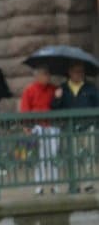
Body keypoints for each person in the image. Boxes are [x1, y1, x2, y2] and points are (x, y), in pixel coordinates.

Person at [51, 62, 99, 193]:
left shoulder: (90, 88)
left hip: (87, 126)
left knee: (89, 155)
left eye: (81, 71)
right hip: (70, 128)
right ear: (70, 73)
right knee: (72, 156)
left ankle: (88, 183)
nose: (79, 74)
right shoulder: (63, 88)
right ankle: (74, 183)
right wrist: (57, 98)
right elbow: (54, 108)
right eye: (76, 71)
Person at [19, 66, 59, 195]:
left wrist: (58, 97)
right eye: (44, 74)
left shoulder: (54, 89)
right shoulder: (30, 90)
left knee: (53, 156)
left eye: (48, 74)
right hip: (37, 127)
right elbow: (25, 109)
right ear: (37, 76)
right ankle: (39, 186)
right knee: (40, 157)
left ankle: (54, 185)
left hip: (52, 126)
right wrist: (26, 126)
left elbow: (58, 106)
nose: (47, 77)